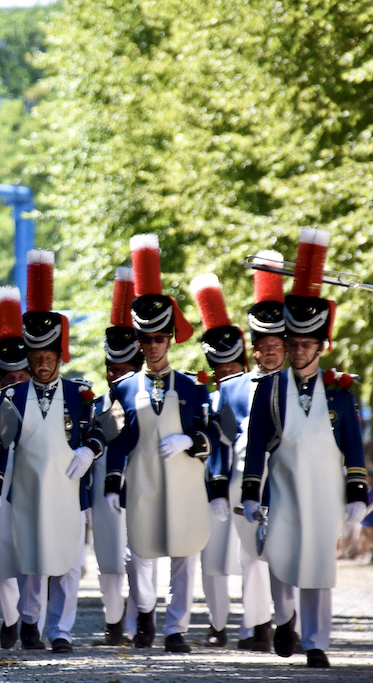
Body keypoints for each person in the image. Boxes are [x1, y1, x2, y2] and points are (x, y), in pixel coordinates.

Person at [242, 229, 368, 668]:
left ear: (320, 346)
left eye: (306, 345)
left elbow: (352, 446)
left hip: (324, 490)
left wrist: (357, 495)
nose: (298, 351)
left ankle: (315, 642)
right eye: (293, 343)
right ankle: (285, 617)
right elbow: (256, 443)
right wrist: (249, 493)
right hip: (282, 488)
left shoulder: (338, 391)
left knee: (319, 567)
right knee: (279, 556)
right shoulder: (270, 388)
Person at [103, 234, 219, 654]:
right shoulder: (122, 388)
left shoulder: (191, 387)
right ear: (138, 342)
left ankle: (176, 629)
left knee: (186, 553)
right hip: (144, 478)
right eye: (145, 340)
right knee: (142, 551)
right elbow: (113, 436)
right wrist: (113, 482)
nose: (152, 347)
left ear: (169, 340)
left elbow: (213, 433)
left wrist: (193, 439)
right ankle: (146, 613)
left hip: (185, 480)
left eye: (158, 339)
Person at [0, 250, 103, 654]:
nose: (43, 365)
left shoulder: (79, 392)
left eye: (49, 359)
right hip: (29, 489)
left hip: (71, 489)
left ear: (58, 358)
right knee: (34, 558)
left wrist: (90, 450)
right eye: (36, 359)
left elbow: (104, 427)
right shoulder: (13, 395)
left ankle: (62, 631)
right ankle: (31, 621)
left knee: (68, 562)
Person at [214, 250, 287, 651]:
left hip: (289, 479)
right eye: (265, 344)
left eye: (279, 344)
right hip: (247, 482)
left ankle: (288, 620)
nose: (272, 351)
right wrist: (217, 486)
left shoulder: (299, 387)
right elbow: (219, 442)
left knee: (288, 554)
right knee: (252, 557)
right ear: (254, 349)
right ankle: (258, 626)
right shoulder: (231, 388)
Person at [191, 273, 251, 648]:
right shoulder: (207, 398)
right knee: (212, 563)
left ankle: (255, 625)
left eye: (231, 365)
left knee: (253, 559)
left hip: (248, 480)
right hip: (213, 485)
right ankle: (219, 624)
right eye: (220, 366)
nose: (226, 371)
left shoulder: (259, 390)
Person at [90, 268, 143, 646]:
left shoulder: (147, 399)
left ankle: (143, 622)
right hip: (102, 491)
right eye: (111, 368)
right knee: (108, 559)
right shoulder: (92, 405)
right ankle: (113, 622)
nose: (115, 374)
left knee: (141, 556)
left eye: (123, 368)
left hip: (141, 485)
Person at [0, 285, 33, 649]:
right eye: (7, 377)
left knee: (32, 549)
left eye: (20, 376)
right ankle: (12, 615)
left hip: (33, 483)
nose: (13, 383)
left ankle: (30, 622)